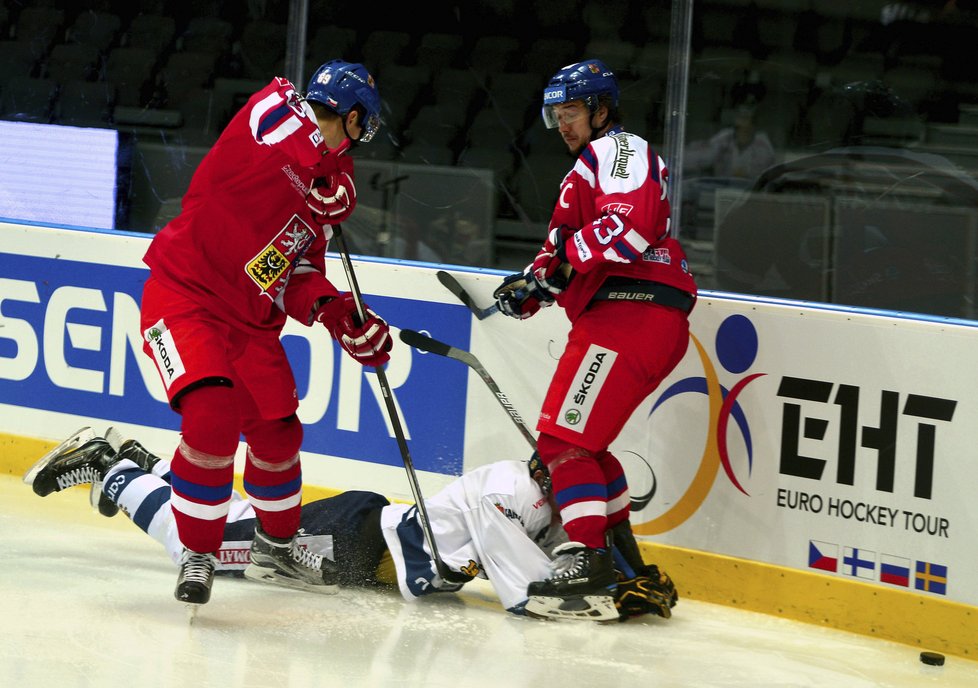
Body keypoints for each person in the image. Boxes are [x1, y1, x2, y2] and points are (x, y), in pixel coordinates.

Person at [138, 59, 393, 605]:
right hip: (184, 297)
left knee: (279, 436)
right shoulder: (272, 109)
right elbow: (282, 122)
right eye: (360, 127)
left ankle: (276, 545)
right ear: (351, 117)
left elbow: (296, 269)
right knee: (212, 414)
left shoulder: (330, 184)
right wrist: (323, 169)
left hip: (251, 327)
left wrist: (335, 311)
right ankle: (199, 551)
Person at [23, 427, 677, 622]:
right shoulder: (510, 495)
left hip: (359, 537)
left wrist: (634, 574)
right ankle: (110, 468)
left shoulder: (545, 497)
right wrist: (617, 601)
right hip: (349, 546)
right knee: (202, 547)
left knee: (240, 525)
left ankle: (152, 467)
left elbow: (603, 538)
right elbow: (531, 597)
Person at [492, 59, 698, 621]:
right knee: (589, 449)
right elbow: (566, 251)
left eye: (573, 112)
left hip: (631, 312)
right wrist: (531, 287)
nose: (563, 124)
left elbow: (626, 227)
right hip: (631, 316)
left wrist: (554, 270)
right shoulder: (586, 167)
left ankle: (589, 560)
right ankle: (628, 568)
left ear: (602, 111)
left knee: (561, 444)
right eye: (557, 115)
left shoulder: (619, 149)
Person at [684, 103, 776, 182]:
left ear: (754, 123)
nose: (742, 121)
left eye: (746, 117)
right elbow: (703, 157)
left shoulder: (763, 146)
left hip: (751, 192)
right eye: (740, 116)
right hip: (721, 189)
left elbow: (765, 176)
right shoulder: (725, 137)